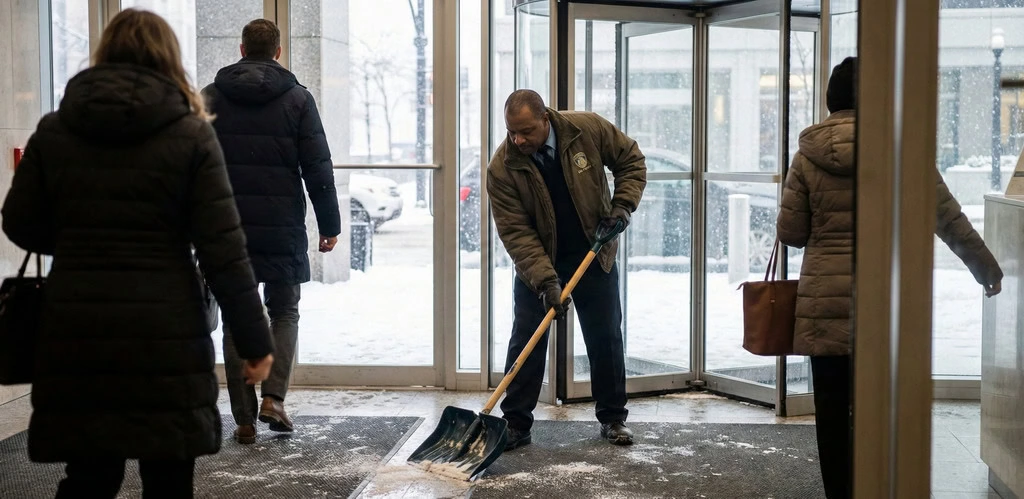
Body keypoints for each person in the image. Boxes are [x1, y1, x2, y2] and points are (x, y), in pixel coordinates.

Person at [1, 9, 275, 498]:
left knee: (88, 476)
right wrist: (255, 343)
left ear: (104, 53)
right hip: (165, 331)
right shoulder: (191, 133)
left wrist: (80, 239)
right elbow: (223, 249)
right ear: (168, 59)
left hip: (77, 325)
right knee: (169, 477)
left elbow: (19, 222)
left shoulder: (56, 130)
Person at [777, 56, 1003, 499]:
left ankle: (839, 492)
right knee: (880, 408)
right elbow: (947, 217)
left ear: (831, 98)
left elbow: (792, 235)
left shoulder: (807, 156)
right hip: (885, 302)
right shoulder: (901, 150)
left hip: (825, 305)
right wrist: (985, 267)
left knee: (830, 408)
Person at [202, 19, 341, 444]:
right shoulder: (298, 99)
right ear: (278, 52)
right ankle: (273, 399)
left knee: (233, 317)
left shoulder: (210, 97)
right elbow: (317, 166)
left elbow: (193, 161)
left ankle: (243, 419)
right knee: (284, 311)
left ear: (242, 49)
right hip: (281, 224)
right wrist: (329, 225)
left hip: (226, 226)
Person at [487, 89, 646, 449]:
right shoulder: (503, 167)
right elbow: (517, 233)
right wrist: (545, 282)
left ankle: (613, 418)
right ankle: (515, 423)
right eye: (512, 131)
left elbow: (631, 160)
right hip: (538, 260)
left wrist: (621, 207)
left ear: (545, 118)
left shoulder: (585, 129)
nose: (518, 139)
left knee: (605, 335)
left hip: (594, 251)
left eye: (526, 131)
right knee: (527, 337)